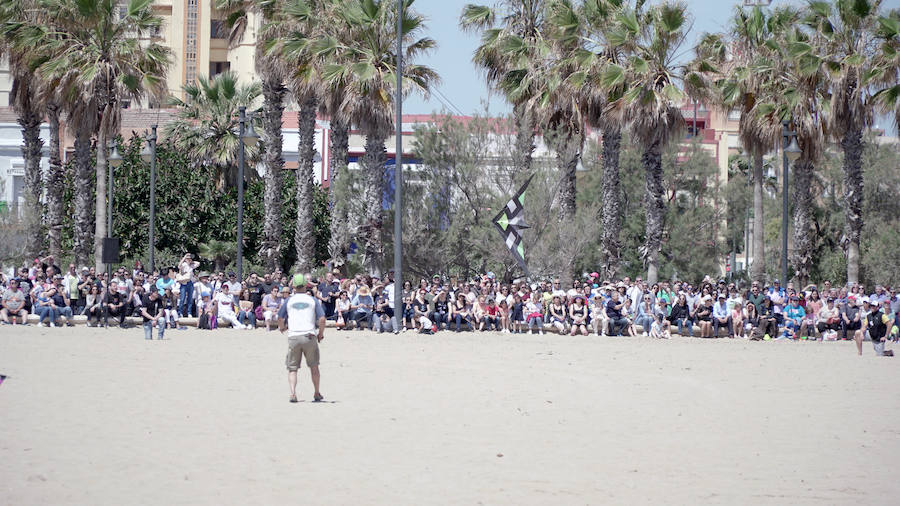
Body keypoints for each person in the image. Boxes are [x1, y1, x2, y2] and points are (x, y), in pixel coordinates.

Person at [279, 274, 325, 403]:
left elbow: (280, 318)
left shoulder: (289, 300)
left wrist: (282, 327)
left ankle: (293, 393)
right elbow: (322, 319)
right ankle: (316, 392)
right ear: (306, 286)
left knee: (292, 368)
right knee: (314, 367)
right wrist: (320, 334)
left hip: (294, 335)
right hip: (309, 335)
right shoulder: (313, 300)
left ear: (293, 286)